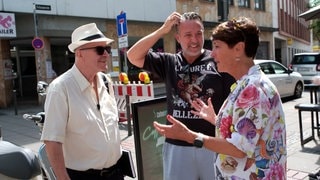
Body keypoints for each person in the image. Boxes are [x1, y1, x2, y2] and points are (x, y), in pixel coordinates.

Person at [153, 17, 287, 179]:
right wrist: (216, 120)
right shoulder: (249, 83)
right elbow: (246, 130)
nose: (213, 53)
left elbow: (239, 147)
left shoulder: (253, 90)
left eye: (217, 46)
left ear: (238, 49)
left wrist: (189, 136)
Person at [127, 12, 235, 180]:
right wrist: (162, 30)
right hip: (177, 147)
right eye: (188, 35)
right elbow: (133, 56)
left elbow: (235, 102)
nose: (194, 40)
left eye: (199, 33)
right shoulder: (169, 62)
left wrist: (220, 119)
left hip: (212, 144)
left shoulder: (217, 60)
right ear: (177, 38)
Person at [40, 23, 124, 180]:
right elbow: (52, 141)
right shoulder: (60, 88)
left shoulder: (106, 81)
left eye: (107, 49)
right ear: (79, 53)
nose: (106, 54)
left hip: (116, 173)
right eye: (99, 50)